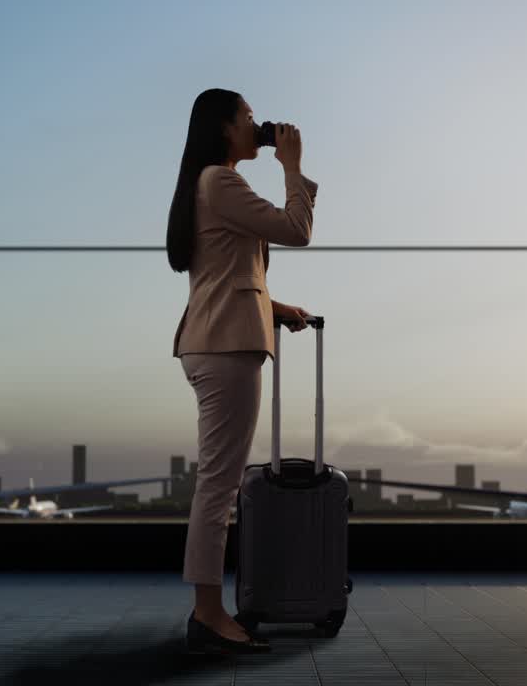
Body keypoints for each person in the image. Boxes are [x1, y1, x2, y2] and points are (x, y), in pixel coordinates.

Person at [166, 88, 318, 654]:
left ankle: (209, 610)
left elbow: (225, 269)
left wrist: (276, 309)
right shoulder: (221, 181)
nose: (260, 125)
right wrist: (294, 168)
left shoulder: (208, 184)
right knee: (218, 487)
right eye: (250, 118)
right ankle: (208, 613)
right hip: (226, 347)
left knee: (216, 483)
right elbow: (295, 230)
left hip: (215, 339)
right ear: (224, 127)